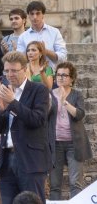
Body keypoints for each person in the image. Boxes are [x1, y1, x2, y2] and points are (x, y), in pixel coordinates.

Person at [0, 51, 51, 204]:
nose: (10, 74)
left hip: (30, 160)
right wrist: (1, 111)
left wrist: (13, 103)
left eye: (14, 70)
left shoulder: (39, 90)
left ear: (25, 69)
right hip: (6, 160)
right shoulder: (5, 91)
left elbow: (37, 119)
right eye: (7, 70)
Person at [49, 62, 92, 199]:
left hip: (74, 144)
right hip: (55, 143)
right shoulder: (49, 94)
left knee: (76, 183)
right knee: (55, 185)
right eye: (58, 75)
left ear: (72, 78)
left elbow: (79, 114)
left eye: (64, 75)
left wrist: (64, 102)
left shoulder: (77, 95)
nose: (60, 78)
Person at [17, 1, 67, 69]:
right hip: (30, 76)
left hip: (51, 75)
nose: (34, 17)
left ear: (43, 14)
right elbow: (20, 61)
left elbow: (63, 57)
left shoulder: (54, 32)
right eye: (32, 14)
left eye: (38, 13)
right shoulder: (23, 37)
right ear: (28, 15)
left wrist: (46, 51)